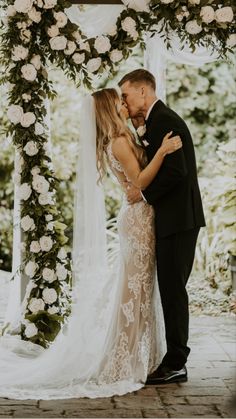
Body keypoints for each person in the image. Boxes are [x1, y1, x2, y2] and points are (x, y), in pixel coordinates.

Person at [0, 89, 182, 399]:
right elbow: (138, 184)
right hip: (138, 220)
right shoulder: (120, 142)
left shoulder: (116, 140)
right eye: (119, 102)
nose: (124, 105)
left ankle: (138, 357)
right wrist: (162, 152)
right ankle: (121, 363)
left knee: (138, 290)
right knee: (134, 292)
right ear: (110, 109)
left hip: (137, 217)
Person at [119, 69, 206, 385]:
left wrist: (141, 193)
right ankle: (174, 359)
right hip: (173, 219)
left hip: (179, 220)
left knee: (173, 291)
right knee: (170, 288)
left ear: (143, 91)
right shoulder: (154, 122)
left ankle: (176, 363)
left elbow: (177, 172)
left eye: (127, 95)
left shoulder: (165, 121)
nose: (124, 103)